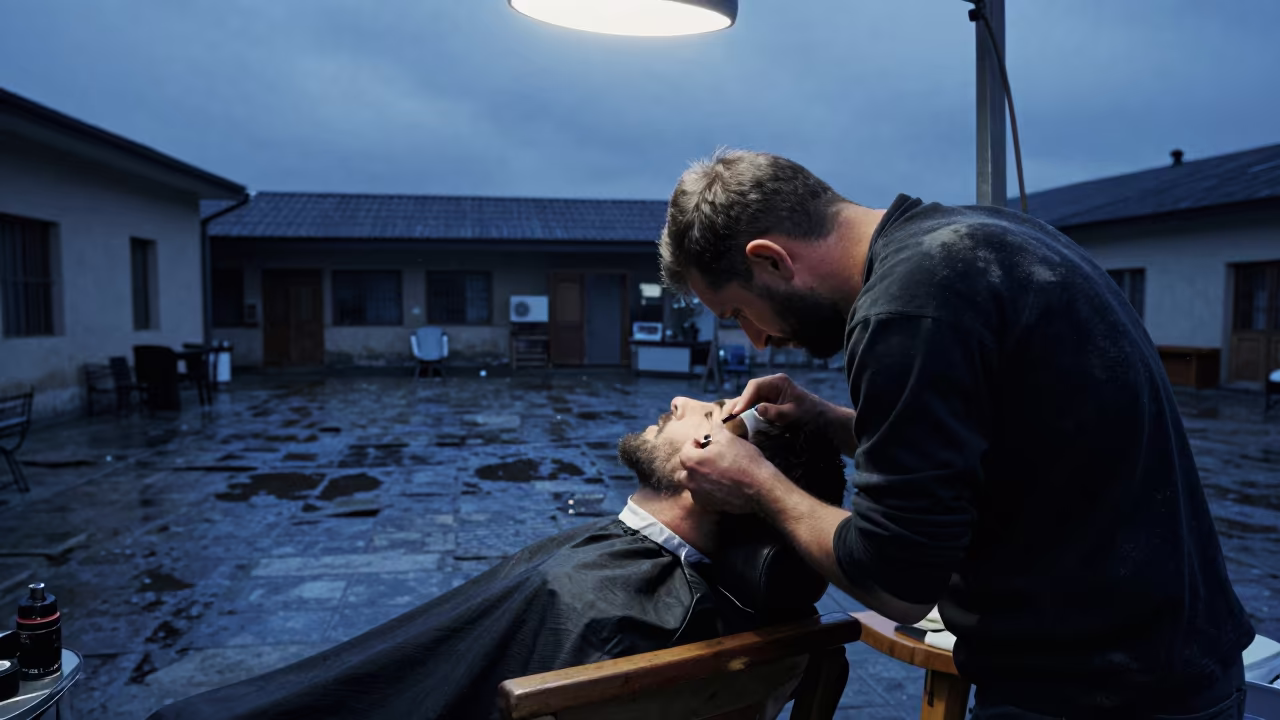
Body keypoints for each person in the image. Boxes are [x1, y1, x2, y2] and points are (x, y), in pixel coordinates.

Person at [659, 149, 1255, 719]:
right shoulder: (979, 238)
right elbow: (998, 445)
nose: (758, 341)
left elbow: (898, 580)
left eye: (738, 313)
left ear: (771, 260)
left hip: (1093, 692)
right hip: (1175, 665)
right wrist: (827, 420)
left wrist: (757, 481)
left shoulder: (905, 309)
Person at [146, 396, 846, 720]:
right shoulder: (646, 598)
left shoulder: (611, 621)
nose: (678, 400)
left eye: (711, 413)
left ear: (724, 474)